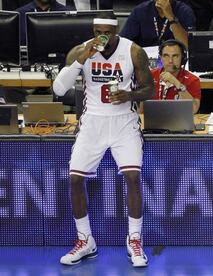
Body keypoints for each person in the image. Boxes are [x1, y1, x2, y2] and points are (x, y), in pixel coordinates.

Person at [52, 12, 154, 267]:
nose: (101, 38)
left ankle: (134, 240)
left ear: (115, 30)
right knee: (75, 179)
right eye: (97, 32)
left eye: (105, 33)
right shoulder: (80, 51)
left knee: (132, 177)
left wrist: (129, 96)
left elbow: (149, 89)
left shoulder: (134, 51)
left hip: (124, 123)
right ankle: (85, 240)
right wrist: (81, 60)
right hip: (92, 123)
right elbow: (58, 89)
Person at [151, 39, 201, 113]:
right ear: (161, 58)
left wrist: (176, 82)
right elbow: (139, 110)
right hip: (152, 121)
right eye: (166, 56)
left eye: (175, 56)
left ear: (183, 58)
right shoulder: (150, 76)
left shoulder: (192, 80)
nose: (170, 60)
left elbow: (193, 109)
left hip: (180, 122)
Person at [119, 0, 195, 48]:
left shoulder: (185, 11)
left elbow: (188, 47)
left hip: (175, 61)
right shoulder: (140, 11)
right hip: (145, 61)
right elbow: (123, 43)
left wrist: (171, 17)